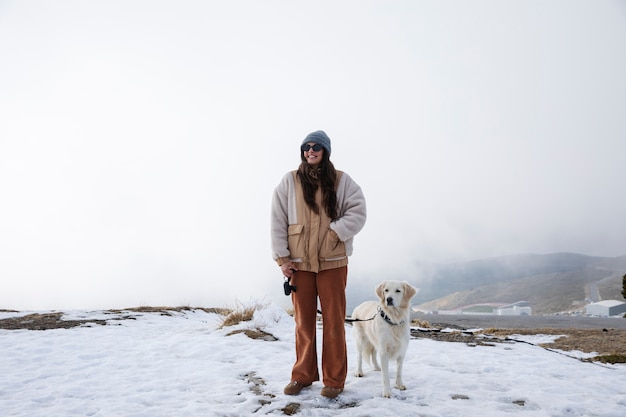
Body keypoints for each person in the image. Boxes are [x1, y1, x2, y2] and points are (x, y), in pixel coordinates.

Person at [271, 130, 367, 399]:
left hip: (333, 262)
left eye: (316, 147)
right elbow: (277, 219)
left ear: (325, 151)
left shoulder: (341, 180)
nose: (310, 151)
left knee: (334, 322)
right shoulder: (289, 182)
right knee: (303, 323)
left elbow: (358, 211)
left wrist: (336, 233)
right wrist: (282, 258)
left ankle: (334, 381)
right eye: (306, 147)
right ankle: (302, 376)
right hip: (299, 264)